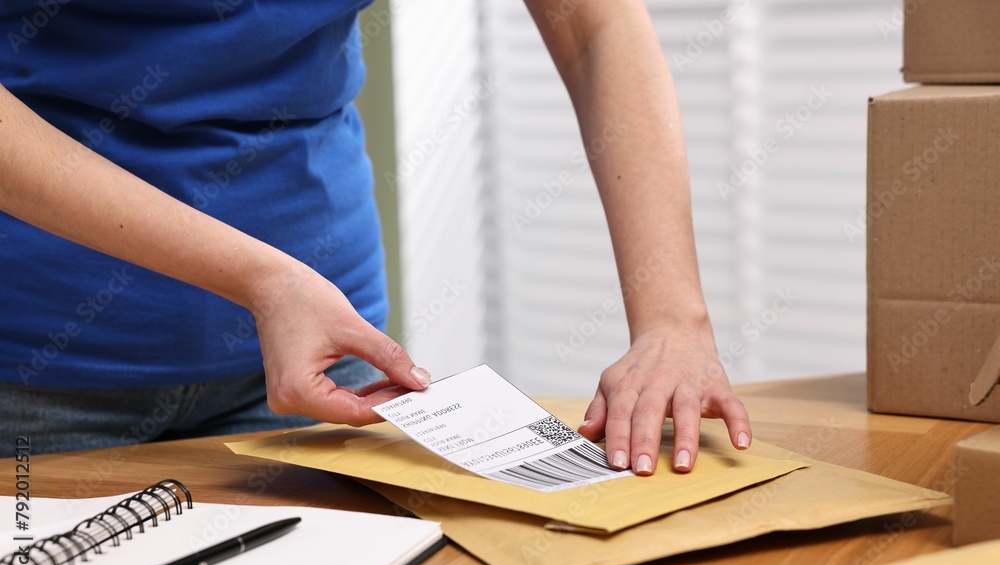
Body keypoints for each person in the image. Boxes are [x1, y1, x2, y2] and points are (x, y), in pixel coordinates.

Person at [0, 0, 751, 472]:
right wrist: (264, 279)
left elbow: (595, 22)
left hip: (324, 345)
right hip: (43, 356)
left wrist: (671, 320)